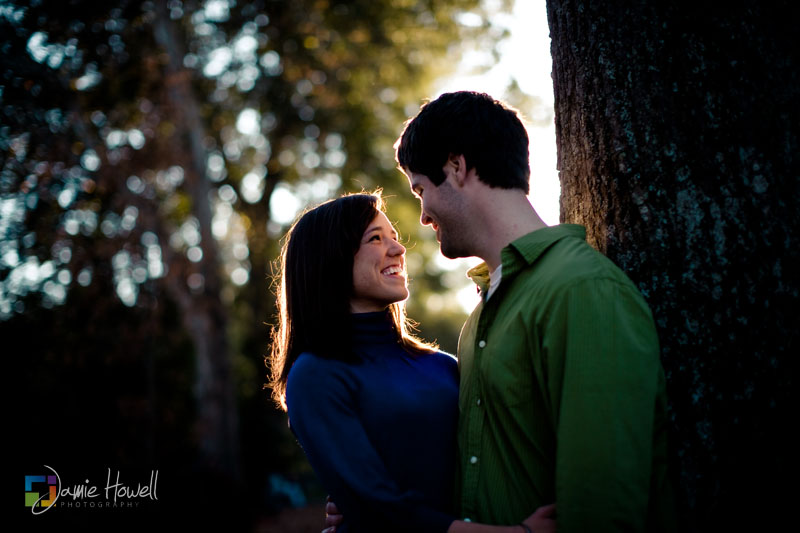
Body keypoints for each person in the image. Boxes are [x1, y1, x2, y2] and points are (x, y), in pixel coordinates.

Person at [328, 91, 675, 531]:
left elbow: (603, 508)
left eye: (420, 190)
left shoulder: (583, 290)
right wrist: (369, 501)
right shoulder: (480, 318)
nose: (422, 217)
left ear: (456, 168)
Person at [269, 192, 556, 533]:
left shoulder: (443, 365)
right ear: (329, 259)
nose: (398, 249)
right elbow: (379, 509)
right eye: (375, 239)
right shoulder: (316, 375)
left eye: (394, 237)